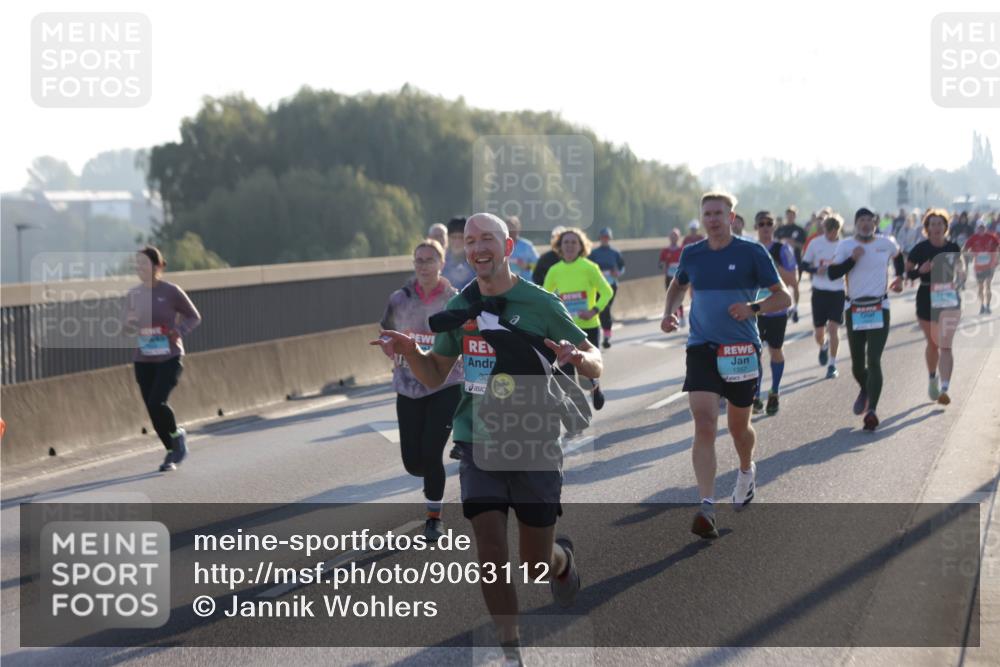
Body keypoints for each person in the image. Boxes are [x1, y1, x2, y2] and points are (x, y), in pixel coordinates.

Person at [374, 213, 600, 664]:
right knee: (491, 551)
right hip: (478, 441)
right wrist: (411, 352)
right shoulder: (461, 307)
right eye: (471, 240)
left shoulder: (540, 304)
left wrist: (581, 357)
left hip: (534, 441)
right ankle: (510, 649)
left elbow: (595, 360)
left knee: (535, 565)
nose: (477, 247)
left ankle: (561, 562)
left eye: (488, 239)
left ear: (508, 247)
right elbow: (437, 372)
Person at [661, 192, 790, 538]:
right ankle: (707, 506)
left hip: (740, 351)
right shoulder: (693, 253)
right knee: (704, 423)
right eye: (708, 214)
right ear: (702, 217)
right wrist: (668, 311)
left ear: (731, 217)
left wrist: (754, 308)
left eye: (719, 213)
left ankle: (746, 470)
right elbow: (678, 284)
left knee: (738, 428)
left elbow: (784, 296)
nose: (713, 219)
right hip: (701, 346)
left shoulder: (751, 252)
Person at [378, 239, 463, 540]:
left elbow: (465, 339)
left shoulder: (454, 300)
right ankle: (429, 477)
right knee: (413, 462)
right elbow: (385, 330)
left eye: (429, 260)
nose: (424, 265)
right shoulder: (399, 299)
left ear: (441, 263)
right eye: (419, 260)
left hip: (444, 384)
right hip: (408, 387)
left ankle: (434, 518)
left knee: (431, 452)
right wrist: (389, 345)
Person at [125, 246, 202, 472]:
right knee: (151, 408)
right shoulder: (133, 294)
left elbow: (194, 316)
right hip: (144, 358)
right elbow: (126, 326)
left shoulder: (171, 291)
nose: (140, 268)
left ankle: (177, 437)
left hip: (169, 356)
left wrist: (178, 331)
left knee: (157, 402)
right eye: (137, 265)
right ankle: (172, 449)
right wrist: (128, 324)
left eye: (145, 264)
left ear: (158, 267)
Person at [827, 207, 905, 431]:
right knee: (857, 365)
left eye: (869, 220)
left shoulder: (886, 242)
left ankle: (872, 411)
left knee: (874, 360)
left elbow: (898, 257)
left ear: (875, 223)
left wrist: (899, 277)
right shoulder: (846, 246)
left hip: (880, 306)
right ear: (855, 223)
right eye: (861, 220)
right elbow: (833, 273)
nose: (866, 224)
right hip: (855, 309)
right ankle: (865, 388)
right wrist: (852, 260)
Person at [543, 227, 613, 409]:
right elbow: (544, 297)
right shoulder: (554, 270)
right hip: (564, 329)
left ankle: (595, 388)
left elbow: (607, 291)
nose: (569, 246)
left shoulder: (589, 268)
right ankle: (577, 412)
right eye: (566, 242)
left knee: (585, 374)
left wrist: (594, 310)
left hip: (587, 327)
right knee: (566, 374)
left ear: (581, 246)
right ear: (560, 246)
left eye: (574, 242)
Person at [906, 209, 964, 406]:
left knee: (946, 345)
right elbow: (907, 273)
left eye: (940, 224)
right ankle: (933, 379)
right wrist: (920, 271)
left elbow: (959, 267)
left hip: (948, 298)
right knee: (933, 344)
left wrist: (960, 275)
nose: (937, 227)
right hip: (925, 297)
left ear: (946, 227)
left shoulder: (954, 247)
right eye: (933, 224)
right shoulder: (920, 249)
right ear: (927, 228)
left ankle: (945, 389)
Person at [751, 211, 798, 415]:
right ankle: (756, 395)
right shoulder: (750, 250)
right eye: (761, 224)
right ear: (756, 228)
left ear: (774, 226)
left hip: (777, 310)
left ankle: (775, 391)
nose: (766, 227)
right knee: (755, 353)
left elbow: (793, 281)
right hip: (756, 309)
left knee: (775, 351)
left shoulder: (782, 249)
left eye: (769, 223)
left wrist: (776, 269)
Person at [801, 214, 846, 379]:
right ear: (824, 229)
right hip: (819, 292)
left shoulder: (843, 245)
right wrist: (815, 270)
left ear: (838, 230)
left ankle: (832, 364)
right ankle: (823, 346)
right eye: (828, 231)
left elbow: (849, 267)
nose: (831, 234)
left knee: (833, 329)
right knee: (819, 333)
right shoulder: (815, 243)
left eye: (834, 231)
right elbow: (804, 264)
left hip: (837, 292)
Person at [588, 227, 626, 347]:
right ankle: (605, 335)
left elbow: (622, 267)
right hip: (597, 286)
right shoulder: (593, 253)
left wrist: (618, 273)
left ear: (610, 238)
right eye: (603, 237)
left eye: (607, 237)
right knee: (601, 309)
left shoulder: (615, 253)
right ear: (600, 238)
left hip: (611, 285)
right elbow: (588, 269)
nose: (605, 239)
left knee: (605, 308)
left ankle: (606, 336)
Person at [775, 205, 807, 323]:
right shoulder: (780, 229)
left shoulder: (799, 230)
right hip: (782, 263)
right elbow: (774, 243)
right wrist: (782, 243)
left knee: (795, 286)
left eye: (792, 214)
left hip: (796, 262)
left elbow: (803, 246)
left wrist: (793, 243)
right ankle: (786, 308)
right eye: (788, 214)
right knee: (783, 287)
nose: (790, 216)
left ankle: (796, 307)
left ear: (795, 216)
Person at [963, 220, 999, 314]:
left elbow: (998, 247)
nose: (981, 230)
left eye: (983, 228)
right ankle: (982, 305)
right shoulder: (973, 238)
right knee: (980, 287)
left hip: (990, 265)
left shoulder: (991, 237)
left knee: (988, 286)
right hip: (979, 267)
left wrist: (996, 258)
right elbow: (965, 248)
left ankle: (988, 306)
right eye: (979, 228)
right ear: (977, 229)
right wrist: (969, 255)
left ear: (985, 228)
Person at [658, 228, 686, 326]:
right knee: (671, 298)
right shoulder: (665, 251)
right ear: (669, 238)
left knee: (678, 296)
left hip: (679, 276)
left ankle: (681, 315)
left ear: (678, 237)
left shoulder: (682, 249)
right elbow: (660, 264)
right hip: (669, 277)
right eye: (672, 236)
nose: (673, 238)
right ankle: (674, 318)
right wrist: (663, 265)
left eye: (675, 236)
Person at [442, 216, 475, 289]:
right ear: (448, 238)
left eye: (461, 237)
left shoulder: (475, 261)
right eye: (453, 237)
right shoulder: (441, 261)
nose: (457, 241)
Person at [507, 215, 539, 283]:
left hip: (526, 284)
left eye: (513, 227)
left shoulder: (527, 246)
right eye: (508, 228)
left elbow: (538, 266)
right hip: (506, 285)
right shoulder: (501, 246)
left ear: (518, 228)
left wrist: (527, 266)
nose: (511, 230)